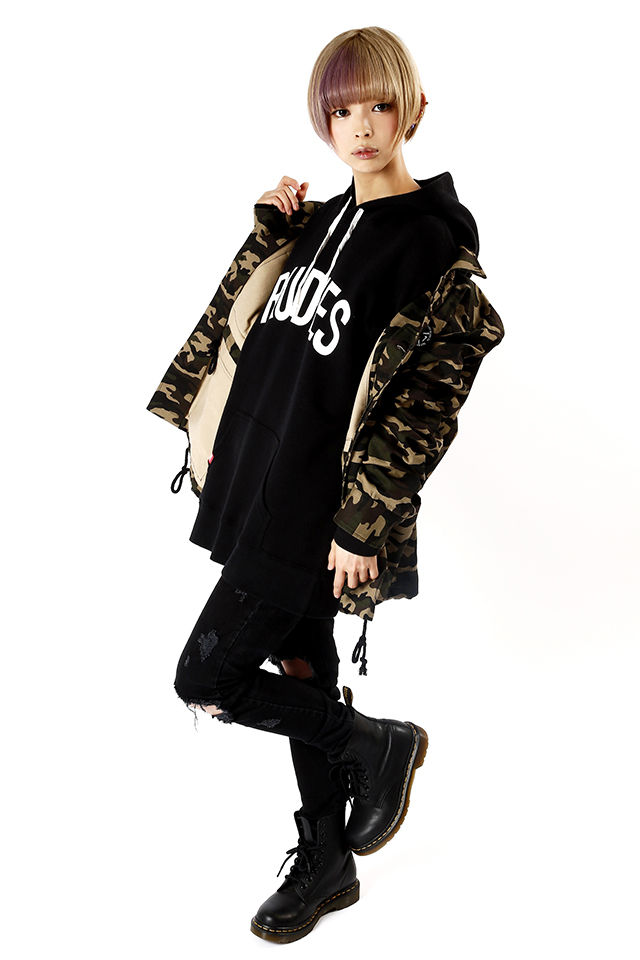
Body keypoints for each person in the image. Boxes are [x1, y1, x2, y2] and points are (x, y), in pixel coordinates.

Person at [147, 26, 504, 944]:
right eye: (343, 111)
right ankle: (327, 859)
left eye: (380, 105)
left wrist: (363, 521)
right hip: (259, 486)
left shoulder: (430, 242)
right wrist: (264, 237)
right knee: (301, 665)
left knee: (206, 675)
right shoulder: (316, 224)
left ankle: (377, 744)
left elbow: (428, 401)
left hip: (317, 511)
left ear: (414, 110)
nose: (362, 126)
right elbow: (252, 341)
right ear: (323, 121)